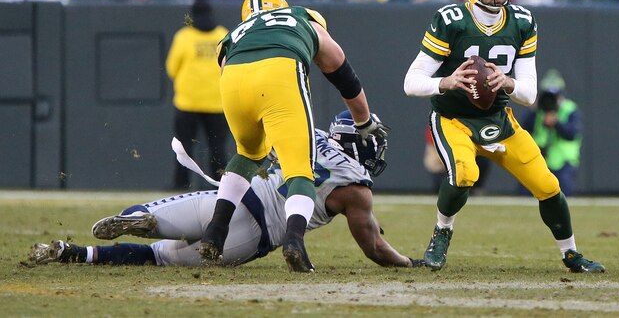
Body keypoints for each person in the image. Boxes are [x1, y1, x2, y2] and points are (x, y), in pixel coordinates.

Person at [403, 0, 604, 273]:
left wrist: (506, 82)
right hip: (453, 119)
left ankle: (571, 254)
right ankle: (442, 231)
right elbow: (411, 82)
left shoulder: (522, 21)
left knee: (548, 185)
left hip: (499, 119)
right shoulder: (451, 20)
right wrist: (448, 81)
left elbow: (528, 93)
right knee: (466, 174)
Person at [28, 114, 421, 269]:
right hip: (256, 235)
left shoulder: (309, 133)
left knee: (156, 217)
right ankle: (77, 254)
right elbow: (374, 248)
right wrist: (408, 262)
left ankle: (138, 218)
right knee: (159, 259)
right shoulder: (356, 189)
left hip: (231, 200)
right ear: (357, 143)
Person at [201, 0, 389, 273]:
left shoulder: (234, 33)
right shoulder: (301, 16)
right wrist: (363, 121)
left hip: (233, 80)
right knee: (300, 168)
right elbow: (343, 74)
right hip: (280, 71)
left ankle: (215, 232)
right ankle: (294, 241)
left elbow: (227, 69)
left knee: (248, 154)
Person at [165, 0, 231, 191]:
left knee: (184, 147)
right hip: (217, 102)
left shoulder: (184, 36)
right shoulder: (224, 35)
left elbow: (171, 68)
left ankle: (181, 185)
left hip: (188, 102)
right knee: (218, 148)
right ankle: (221, 187)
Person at [520, 69, 582, 196]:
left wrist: (556, 123)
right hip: (540, 159)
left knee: (563, 192)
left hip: (564, 161)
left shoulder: (570, 109)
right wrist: (534, 109)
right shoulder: (538, 111)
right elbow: (523, 129)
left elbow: (572, 134)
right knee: (525, 190)